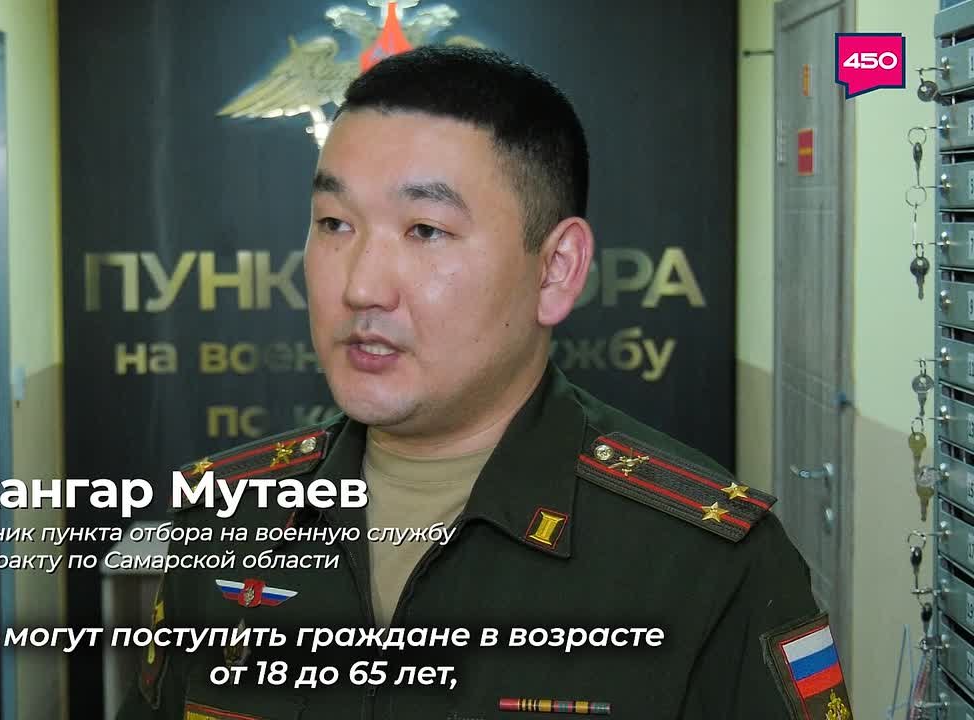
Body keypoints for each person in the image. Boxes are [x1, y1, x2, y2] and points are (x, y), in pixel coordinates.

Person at [120, 46, 850, 720]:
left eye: (425, 230)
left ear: (555, 269)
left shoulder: (706, 565)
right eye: (335, 223)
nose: (361, 286)